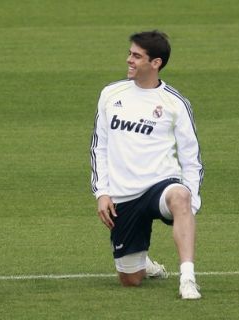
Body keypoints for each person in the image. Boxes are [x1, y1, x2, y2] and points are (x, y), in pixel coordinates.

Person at [90, 30, 203, 299]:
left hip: (161, 186)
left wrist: (191, 203)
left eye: (137, 56)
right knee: (130, 280)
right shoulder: (110, 94)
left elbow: (191, 158)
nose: (129, 60)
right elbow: (99, 147)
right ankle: (145, 264)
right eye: (130, 53)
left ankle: (188, 279)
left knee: (180, 195)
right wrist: (102, 192)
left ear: (156, 63)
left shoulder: (175, 103)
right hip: (124, 194)